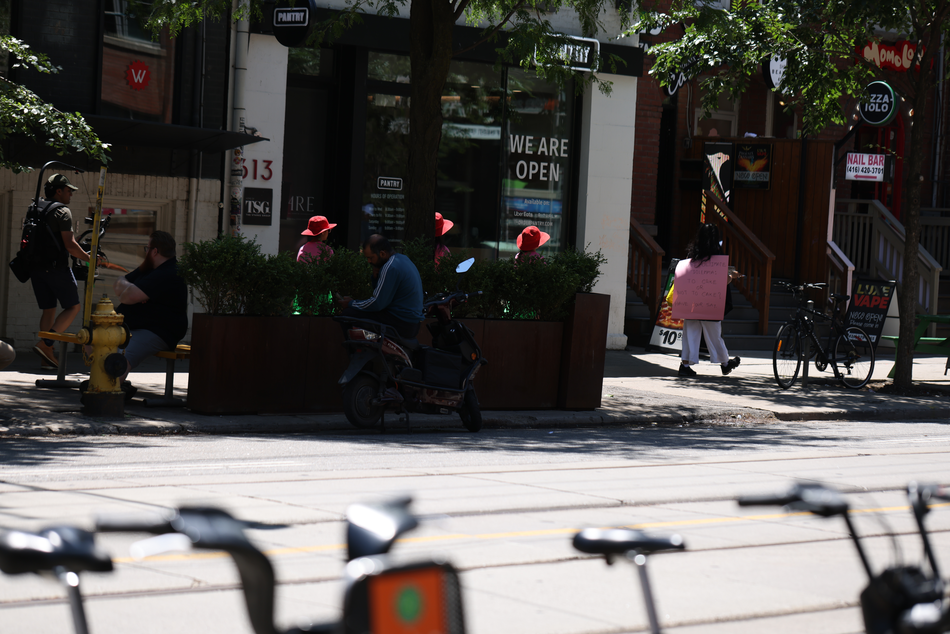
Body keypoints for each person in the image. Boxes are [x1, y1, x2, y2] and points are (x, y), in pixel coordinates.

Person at [31, 173, 99, 370]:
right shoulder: (62, 212)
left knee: (49, 310)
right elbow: (70, 246)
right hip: (56, 268)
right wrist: (90, 259)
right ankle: (46, 344)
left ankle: (46, 358)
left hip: (35, 268)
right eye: (69, 190)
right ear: (58, 191)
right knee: (73, 307)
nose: (71, 194)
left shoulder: (35, 207)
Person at [114, 231, 189, 383]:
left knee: (120, 357)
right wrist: (132, 291)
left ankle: (108, 388)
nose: (146, 252)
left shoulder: (169, 272)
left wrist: (129, 293)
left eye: (147, 248)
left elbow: (129, 296)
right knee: (93, 338)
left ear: (155, 251)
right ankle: (103, 380)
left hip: (156, 331)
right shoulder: (148, 268)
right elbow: (118, 283)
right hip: (132, 326)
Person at [678, 223, 741, 378]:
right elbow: (721, 281)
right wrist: (732, 276)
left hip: (692, 301)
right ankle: (725, 364)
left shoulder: (692, 255)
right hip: (711, 302)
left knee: (690, 334)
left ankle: (685, 365)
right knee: (714, 335)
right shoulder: (717, 256)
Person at [338, 234, 424, 340]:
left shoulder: (390, 267)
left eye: (371, 258)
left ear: (382, 254)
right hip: (412, 323)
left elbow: (377, 303)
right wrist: (375, 278)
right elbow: (384, 294)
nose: (369, 261)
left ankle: (355, 350)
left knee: (347, 315)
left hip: (400, 322)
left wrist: (351, 303)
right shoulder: (402, 259)